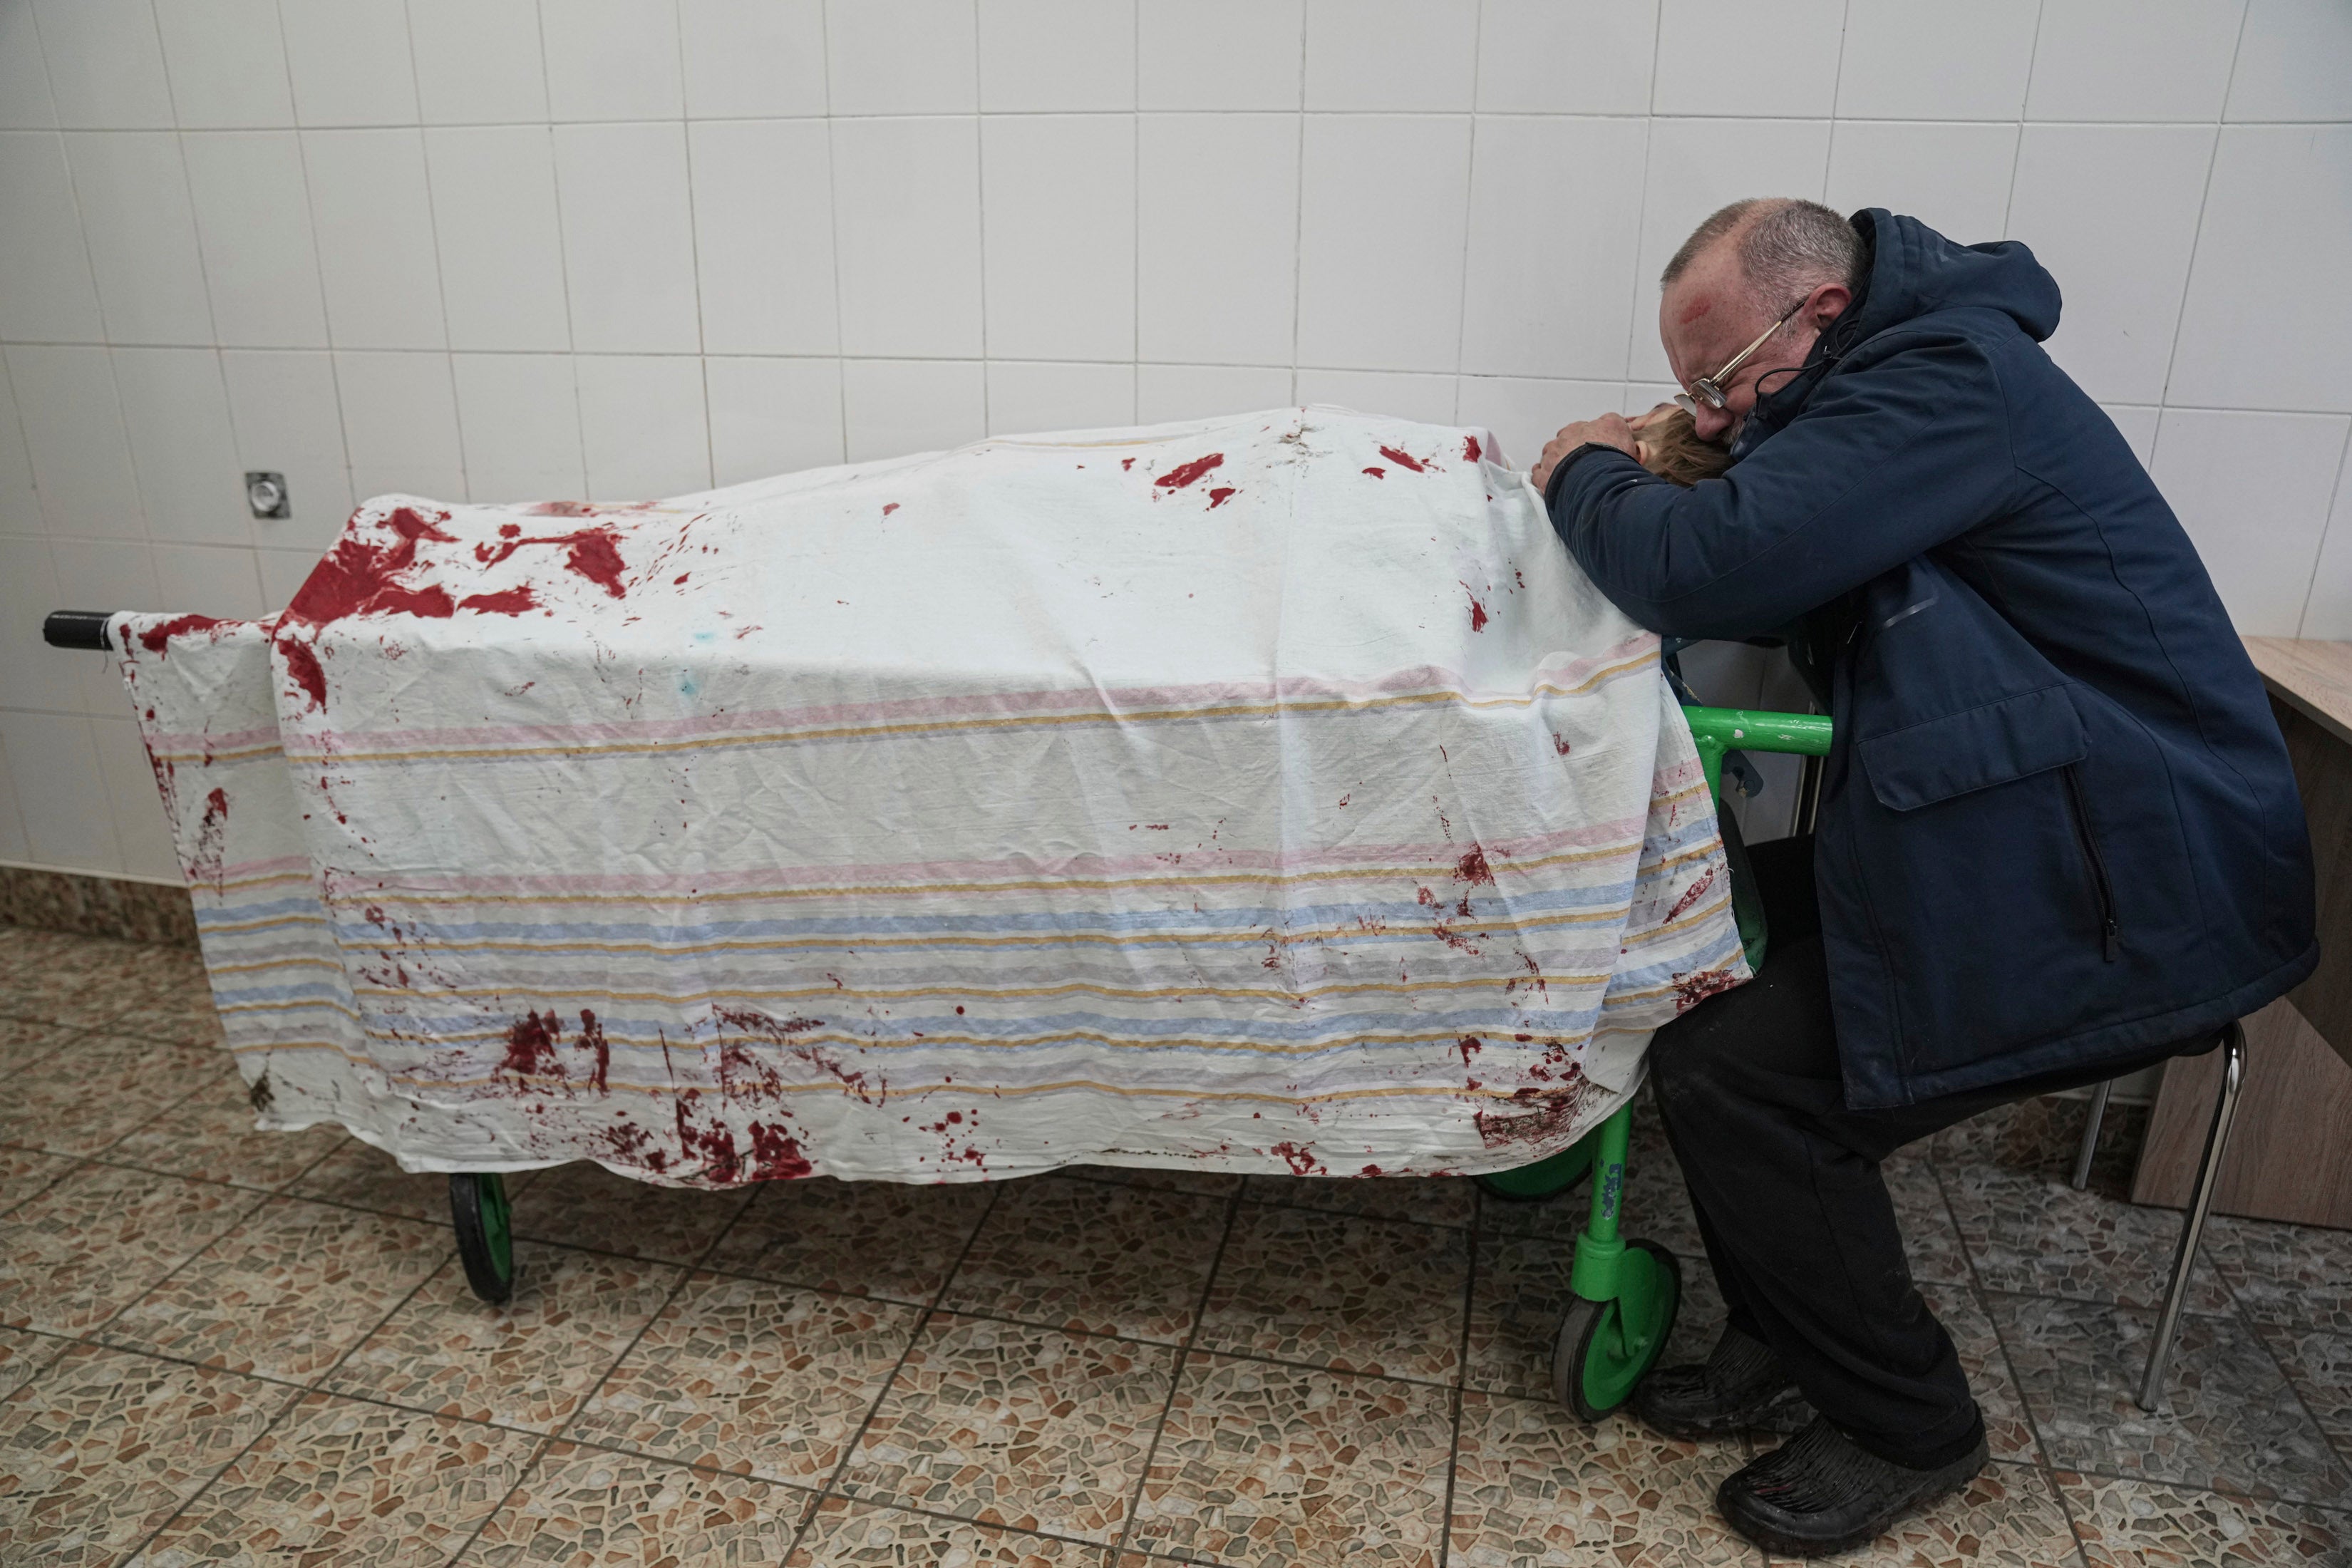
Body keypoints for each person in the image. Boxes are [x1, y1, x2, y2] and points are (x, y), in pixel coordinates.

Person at [1529, 200, 2318, 1557]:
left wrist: (1584, 474)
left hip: (2128, 879)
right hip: (2044, 827)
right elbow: (1785, 568)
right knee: (1695, 944)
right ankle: (1785, 1333)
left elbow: (1714, 572)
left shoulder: (1947, 380)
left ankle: (1909, 1424)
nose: (1714, 420)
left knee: (1747, 1078)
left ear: (1819, 315)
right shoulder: (1902, 381)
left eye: (1723, 383)